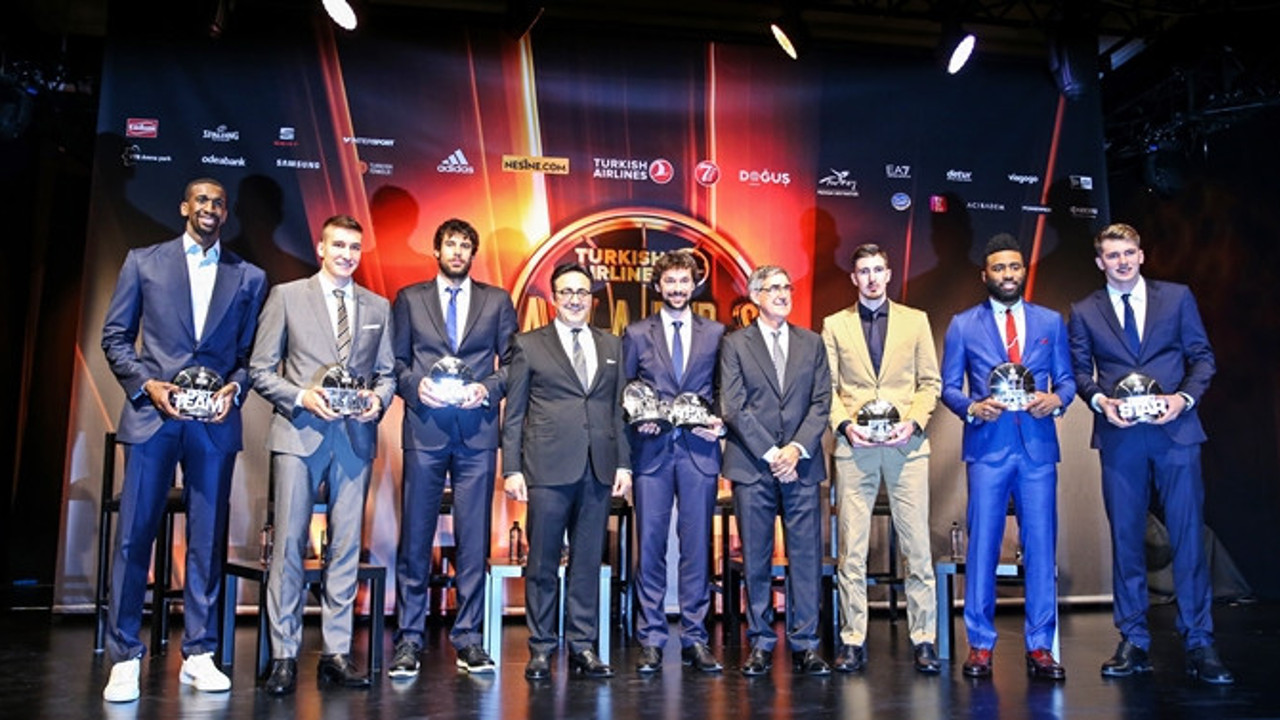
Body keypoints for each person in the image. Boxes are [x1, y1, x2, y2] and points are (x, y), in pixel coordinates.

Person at [100, 177, 267, 703]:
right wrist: (147, 384)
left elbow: (250, 356)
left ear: (226, 213)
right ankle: (124, 656)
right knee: (134, 537)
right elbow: (115, 337)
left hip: (213, 424)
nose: (210, 208)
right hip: (153, 418)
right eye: (201, 200)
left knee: (207, 539)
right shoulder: (143, 262)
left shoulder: (250, 276)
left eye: (218, 202)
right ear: (184, 207)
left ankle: (199, 652)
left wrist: (235, 388)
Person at [1067, 223, 1233, 685]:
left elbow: (1203, 358)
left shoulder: (1177, 298)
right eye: (1112, 255)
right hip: (1121, 437)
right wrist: (1101, 402)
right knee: (1126, 540)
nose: (1121, 261)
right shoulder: (1084, 310)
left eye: (1128, 253)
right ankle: (1134, 640)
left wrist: (1183, 399)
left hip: (1175, 432)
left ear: (1141, 255)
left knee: (1187, 537)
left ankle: (1199, 641)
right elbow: (1079, 373)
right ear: (1100, 262)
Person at [249, 214, 395, 696]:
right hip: (300, 434)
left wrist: (377, 400)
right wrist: (301, 397)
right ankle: (284, 655)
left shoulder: (377, 306)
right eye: (338, 245)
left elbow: (388, 373)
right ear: (320, 248)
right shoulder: (287, 297)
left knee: (346, 547)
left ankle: (335, 653)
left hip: (354, 438)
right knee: (289, 546)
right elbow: (260, 370)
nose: (347, 254)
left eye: (354, 247)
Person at [940, 233, 1074, 680]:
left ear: (1023, 270)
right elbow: (949, 387)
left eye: (1015, 266)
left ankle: (1040, 646)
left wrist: (1056, 400)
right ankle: (980, 644)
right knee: (982, 546)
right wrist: (972, 408)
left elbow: (1067, 381)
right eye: (999, 268)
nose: (1008, 274)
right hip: (988, 449)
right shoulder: (963, 325)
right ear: (986, 275)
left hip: (1037, 450)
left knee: (1041, 546)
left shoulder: (1050, 321)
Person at [388, 219, 517, 677]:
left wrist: (487, 390)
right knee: (415, 537)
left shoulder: (497, 301)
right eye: (451, 244)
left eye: (465, 245)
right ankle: (409, 638)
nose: (458, 252)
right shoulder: (410, 298)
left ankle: (469, 639)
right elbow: (395, 362)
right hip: (425, 429)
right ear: (437, 250)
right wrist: (414, 386)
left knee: (474, 538)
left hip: (477, 432)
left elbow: (513, 363)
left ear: (472, 253)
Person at [501, 263, 632, 681]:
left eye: (582, 292)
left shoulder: (612, 344)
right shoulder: (528, 344)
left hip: (598, 467)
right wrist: (512, 468)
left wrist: (624, 463)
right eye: (566, 292)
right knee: (541, 562)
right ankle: (541, 647)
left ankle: (582, 645)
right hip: (547, 468)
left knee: (587, 562)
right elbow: (514, 413)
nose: (575, 299)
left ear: (591, 298)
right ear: (554, 298)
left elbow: (619, 409)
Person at [820, 244, 942, 674]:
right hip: (856, 448)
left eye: (878, 270)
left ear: (889, 274)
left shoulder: (916, 320)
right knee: (851, 550)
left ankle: (924, 638)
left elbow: (930, 383)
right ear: (854, 278)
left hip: (906, 447)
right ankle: (853, 639)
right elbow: (827, 388)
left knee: (917, 548)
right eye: (864, 271)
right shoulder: (834, 324)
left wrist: (913, 423)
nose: (871, 278)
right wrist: (844, 426)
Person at [719, 265, 833, 677]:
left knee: (805, 558)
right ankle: (761, 643)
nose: (783, 294)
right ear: (755, 297)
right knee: (756, 558)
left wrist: (795, 450)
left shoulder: (812, 342)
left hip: (801, 466)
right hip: (754, 466)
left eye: (787, 287)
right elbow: (733, 406)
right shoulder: (735, 344)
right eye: (773, 288)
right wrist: (772, 454)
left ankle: (806, 644)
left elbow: (821, 402)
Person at [622, 250, 726, 674]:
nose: (678, 288)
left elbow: (725, 388)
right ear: (658, 285)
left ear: (695, 284)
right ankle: (651, 637)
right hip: (652, 452)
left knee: (697, 548)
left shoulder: (716, 332)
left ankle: (695, 638)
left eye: (685, 281)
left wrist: (719, 421)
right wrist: (636, 418)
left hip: (699, 451)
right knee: (650, 546)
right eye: (671, 281)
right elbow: (625, 389)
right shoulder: (636, 333)